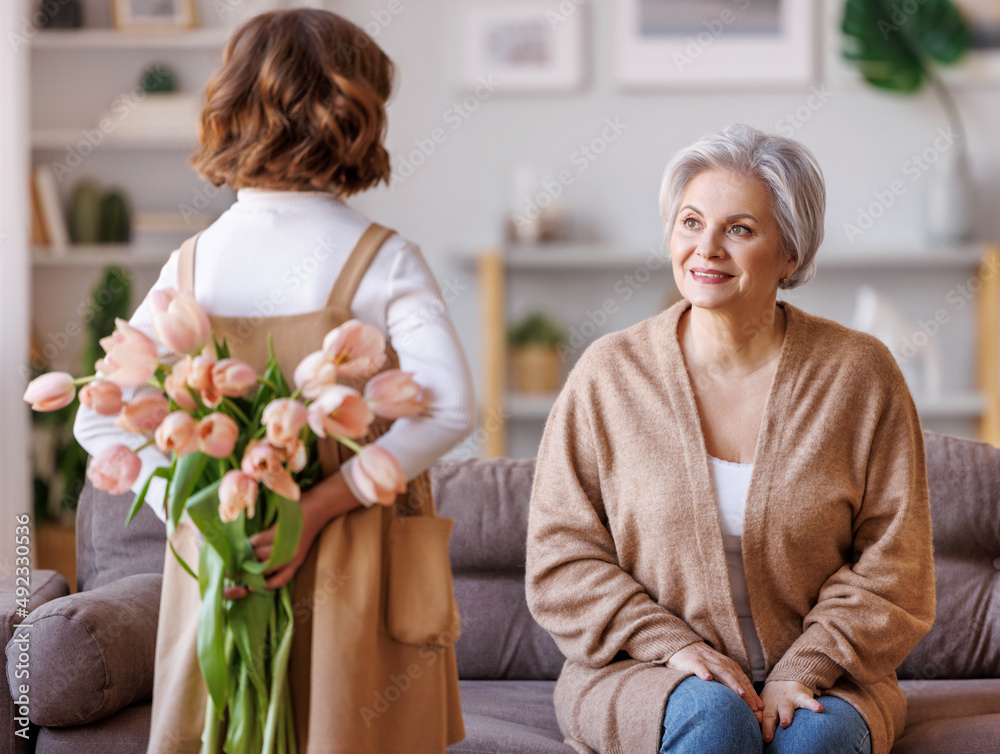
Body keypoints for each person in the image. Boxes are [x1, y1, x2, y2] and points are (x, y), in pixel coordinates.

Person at [74, 9, 476, 752]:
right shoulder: (383, 259)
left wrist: (207, 521)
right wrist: (322, 505)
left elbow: (96, 418)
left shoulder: (193, 262)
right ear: (359, 117)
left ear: (229, 110)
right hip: (360, 564)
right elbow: (451, 409)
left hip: (220, 574)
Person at [524, 123, 935, 754]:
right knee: (716, 721)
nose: (706, 248)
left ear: (790, 254)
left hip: (830, 675)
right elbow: (561, 557)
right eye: (690, 222)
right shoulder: (609, 375)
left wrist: (805, 666)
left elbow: (896, 564)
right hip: (646, 670)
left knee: (816, 741)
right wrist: (673, 645)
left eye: (738, 230)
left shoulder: (860, 375)